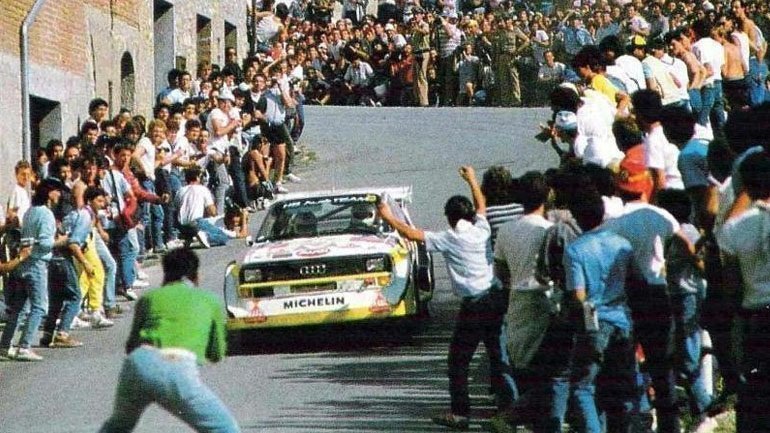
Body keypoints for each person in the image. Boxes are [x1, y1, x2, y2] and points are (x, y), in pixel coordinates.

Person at [378, 165, 513, 430]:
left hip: (474, 305)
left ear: (450, 218)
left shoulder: (449, 238)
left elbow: (412, 235)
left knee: (459, 361)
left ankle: (460, 414)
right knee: (499, 356)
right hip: (495, 298)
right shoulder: (482, 229)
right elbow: (481, 205)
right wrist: (471, 180)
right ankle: (509, 413)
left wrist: (387, 216)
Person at [99, 248, 240, 432]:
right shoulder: (210, 300)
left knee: (118, 426)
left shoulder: (149, 298)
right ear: (196, 275)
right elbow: (217, 353)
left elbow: (131, 346)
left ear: (165, 274)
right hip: (177, 366)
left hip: (138, 363)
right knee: (225, 428)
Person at [0, 178, 69, 361]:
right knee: (39, 306)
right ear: (49, 193)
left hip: (24, 263)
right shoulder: (46, 214)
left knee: (20, 308)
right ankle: (24, 346)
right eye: (57, 191)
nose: (59, 195)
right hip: (38, 263)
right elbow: (45, 243)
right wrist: (60, 241)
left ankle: (5, 345)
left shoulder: (30, 212)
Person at [175, 167, 230, 248]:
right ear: (197, 177)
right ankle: (205, 236)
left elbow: (177, 207)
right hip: (196, 221)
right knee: (223, 237)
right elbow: (212, 212)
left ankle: (191, 238)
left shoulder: (180, 191)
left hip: (181, 224)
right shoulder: (203, 189)